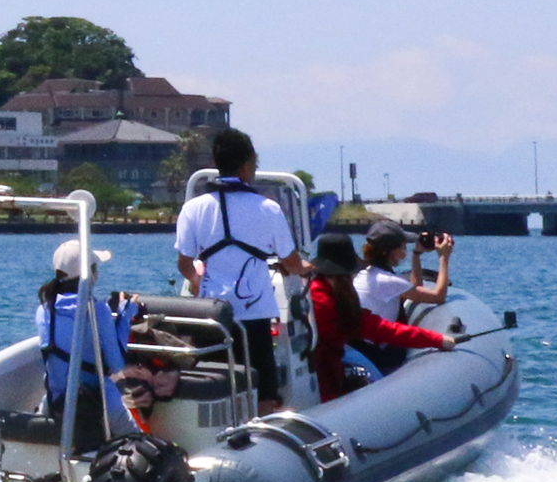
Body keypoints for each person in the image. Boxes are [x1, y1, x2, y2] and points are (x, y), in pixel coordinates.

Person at [175, 129, 312, 415]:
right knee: (263, 389)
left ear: (216, 161)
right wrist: (306, 268)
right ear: (247, 166)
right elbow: (291, 263)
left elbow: (185, 265)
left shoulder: (193, 209)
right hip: (254, 316)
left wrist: (198, 281)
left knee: (216, 382)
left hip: (212, 315)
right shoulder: (268, 209)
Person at [308, 233, 453, 400]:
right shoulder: (331, 303)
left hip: (332, 360)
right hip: (327, 373)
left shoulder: (316, 290)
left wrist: (417, 254)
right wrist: (438, 339)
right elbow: (381, 329)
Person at [37, 239, 142, 442]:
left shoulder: (43, 310)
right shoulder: (97, 310)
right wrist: (126, 315)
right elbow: (117, 365)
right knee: (140, 443)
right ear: (90, 275)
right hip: (98, 403)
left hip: (55, 404)